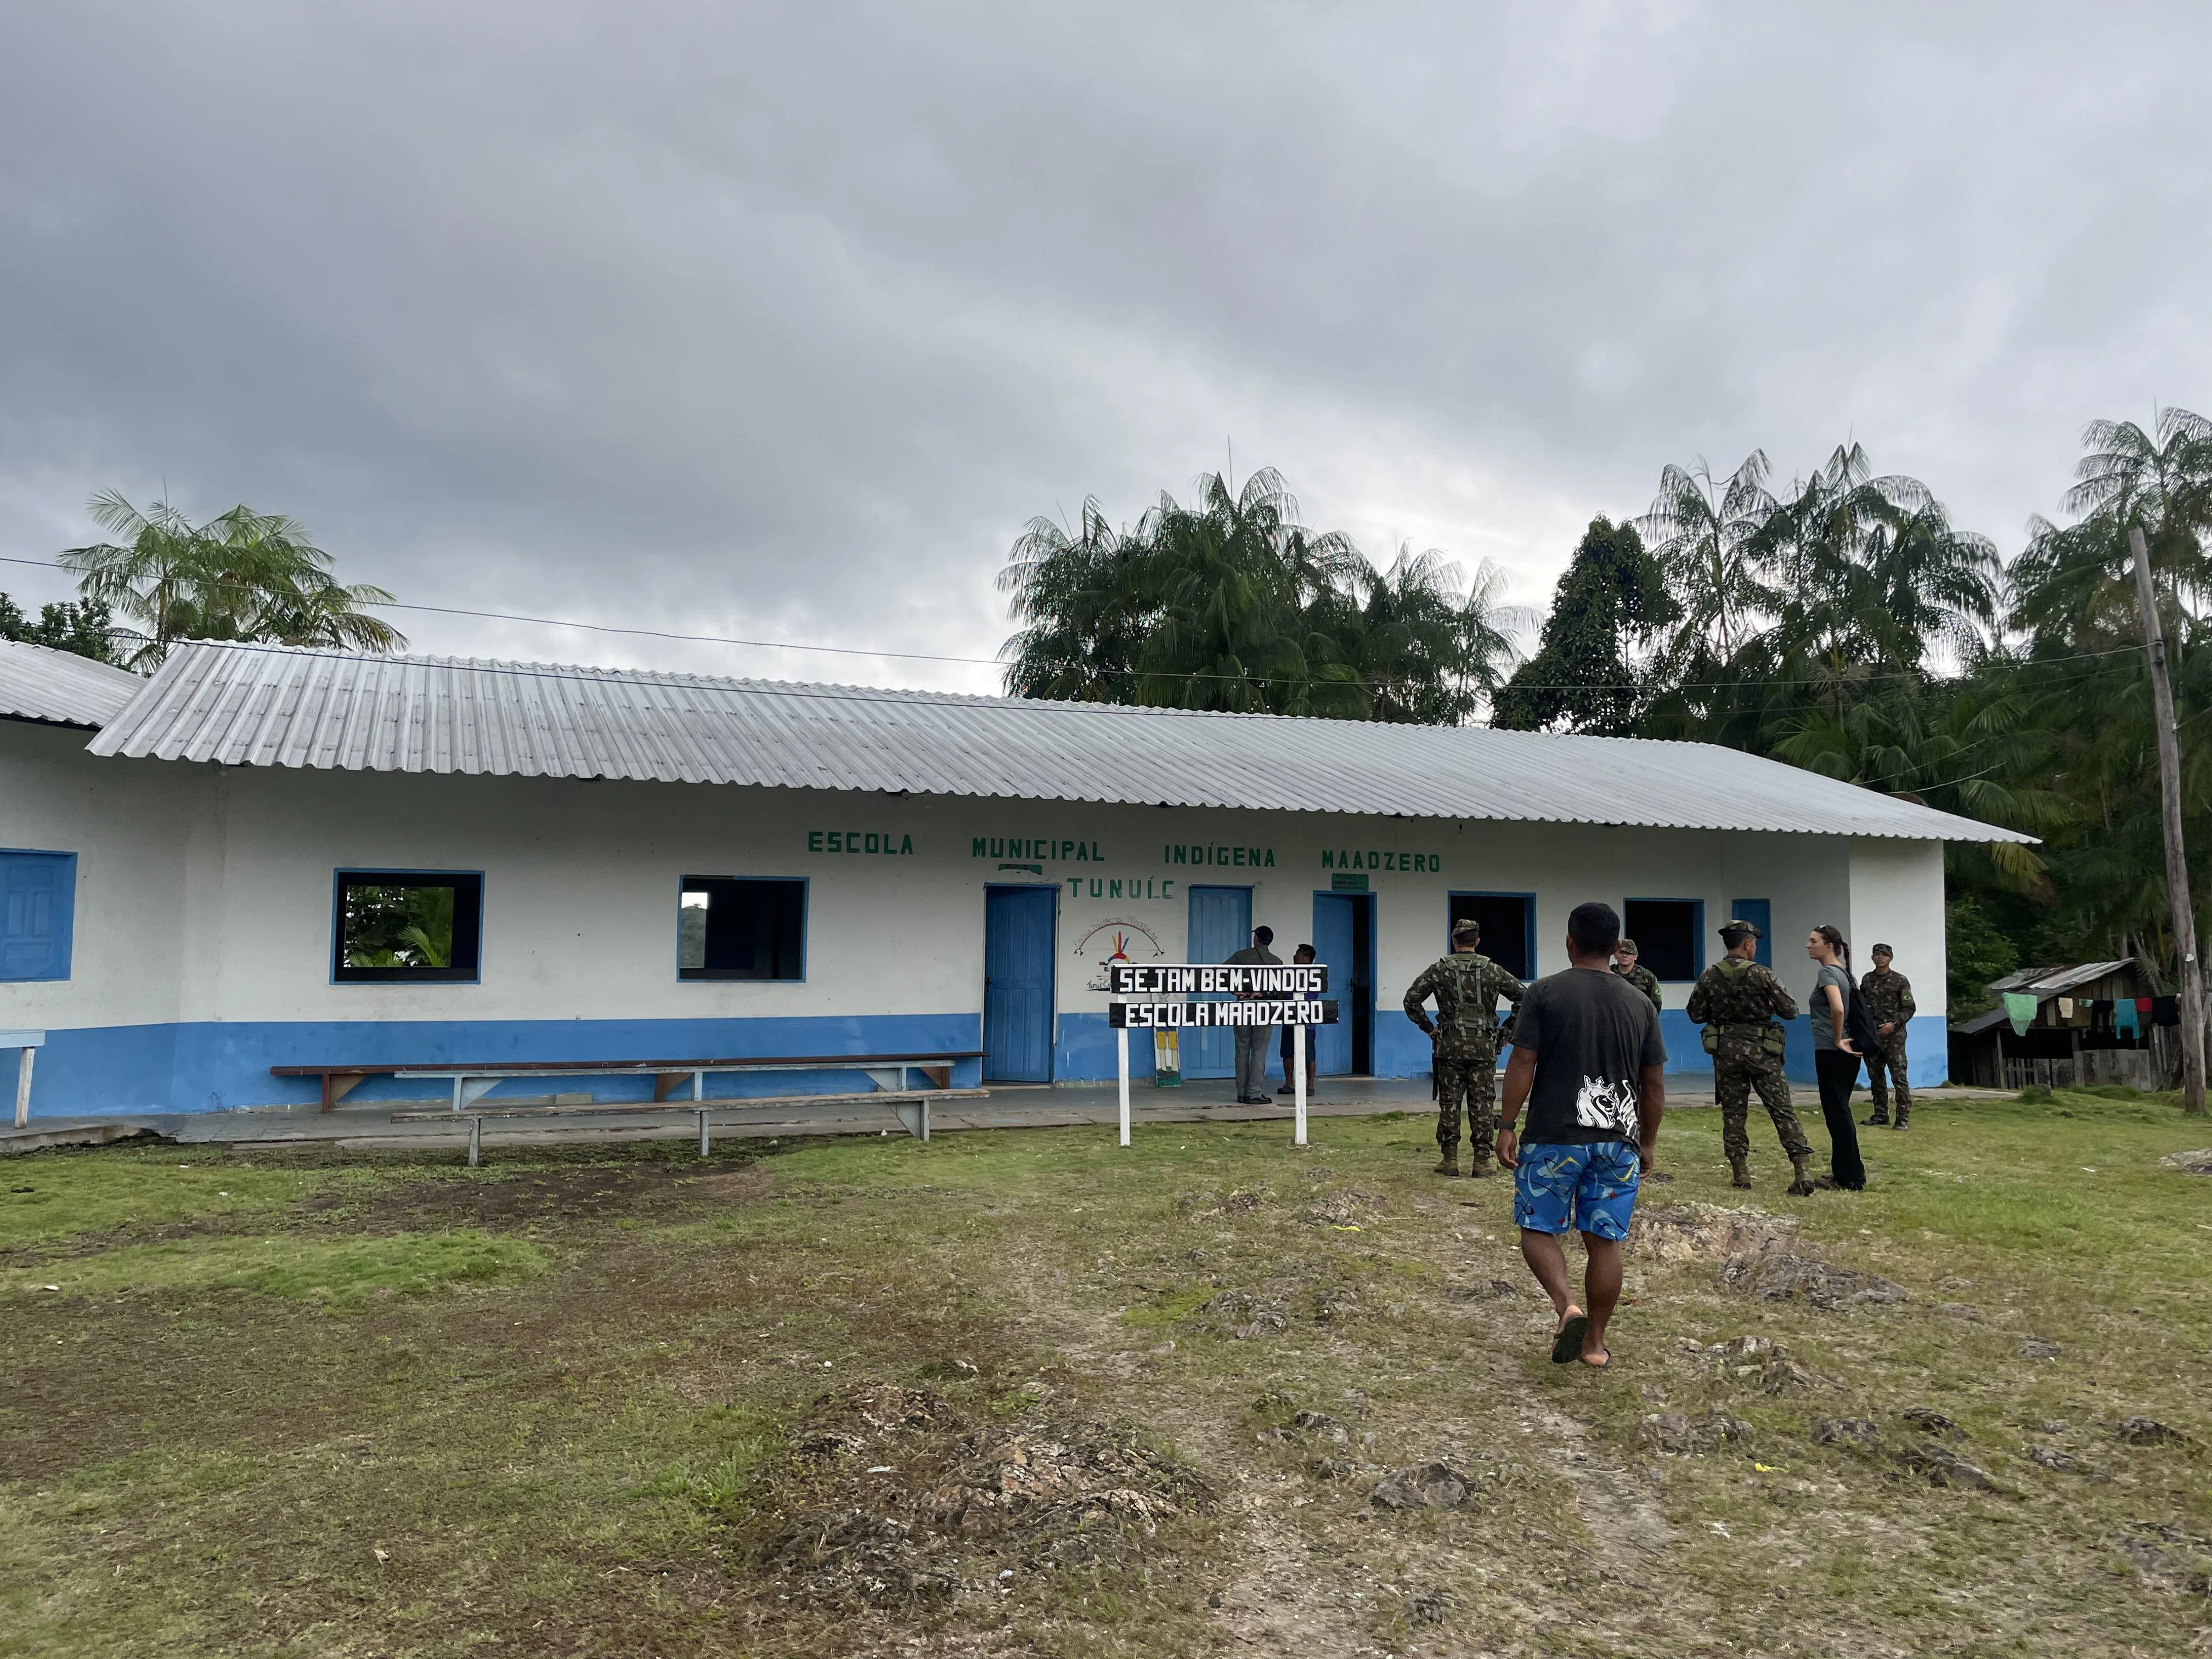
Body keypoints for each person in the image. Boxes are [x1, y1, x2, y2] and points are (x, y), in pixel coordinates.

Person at [1495, 900, 1665, 1370]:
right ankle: (1594, 1343)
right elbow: (1653, 1083)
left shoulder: (1544, 993)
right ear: (1615, 949)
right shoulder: (1641, 1004)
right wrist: (1646, 1142)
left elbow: (1523, 1061)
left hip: (1553, 1137)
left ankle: (1566, 1306)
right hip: (1618, 1141)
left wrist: (1507, 1124)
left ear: (1569, 941)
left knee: (1538, 1227)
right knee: (1603, 1241)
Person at [1685, 918, 1817, 1195]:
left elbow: (1695, 1014)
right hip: (1763, 1051)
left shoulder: (1709, 975)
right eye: (1754, 944)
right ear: (1747, 944)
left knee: (1734, 1112)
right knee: (1782, 1110)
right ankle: (1802, 1172)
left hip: (1726, 1052)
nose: (1755, 948)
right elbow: (1791, 1011)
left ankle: (1741, 1174)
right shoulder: (1764, 975)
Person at [1403, 918, 1528, 1177]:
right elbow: (1524, 998)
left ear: (1454, 941)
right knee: (1482, 1102)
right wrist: (1507, 1029)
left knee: (1449, 1102)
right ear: (1477, 942)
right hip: (1484, 1048)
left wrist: (1430, 1028)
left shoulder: (1440, 970)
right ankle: (1482, 1161)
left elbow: (1411, 1000)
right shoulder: (1493, 970)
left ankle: (1449, 1160)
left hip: (1449, 1047)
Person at [1805, 926, 1869, 1191]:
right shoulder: (1846, 973)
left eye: (1813, 941)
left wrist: (1836, 1038)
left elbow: (1838, 1007)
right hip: (1847, 1054)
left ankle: (1849, 1177)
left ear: (1829, 945)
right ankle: (1850, 1172)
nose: (1808, 945)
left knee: (1837, 1114)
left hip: (1833, 1052)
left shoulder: (1828, 973)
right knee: (1841, 1112)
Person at [1858, 943, 1915, 1130]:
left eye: (1884, 955)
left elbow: (1909, 1008)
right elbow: (1861, 1005)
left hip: (1894, 1037)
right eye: (1877, 954)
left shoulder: (1900, 981)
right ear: (1873, 958)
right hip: (1873, 1036)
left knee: (1899, 1077)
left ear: (1890, 958)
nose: (1880, 957)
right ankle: (1881, 1114)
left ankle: (1903, 1119)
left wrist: (1895, 1024)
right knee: (1876, 1077)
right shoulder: (1867, 980)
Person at [1226, 925, 1282, 1105]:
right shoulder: (1276, 962)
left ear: (1256, 938)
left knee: (1241, 1050)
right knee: (1259, 1051)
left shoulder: (1241, 956)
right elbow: (1280, 989)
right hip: (1265, 1010)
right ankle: (1254, 1092)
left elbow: (1220, 973)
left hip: (1243, 1006)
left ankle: (1241, 1093)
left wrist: (1236, 991)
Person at [1277, 943, 1319, 1096]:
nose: (1295, 956)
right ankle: (1289, 1083)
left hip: (1306, 1020)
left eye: (1299, 954)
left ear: (1307, 959)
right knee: (1287, 1053)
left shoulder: (1315, 975)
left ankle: (1310, 1086)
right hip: (1289, 1017)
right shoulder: (1289, 973)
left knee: (1309, 1054)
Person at [1612, 938, 1662, 1012]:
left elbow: (1657, 1002)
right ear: (1615, 955)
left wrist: (1649, 1020)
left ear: (1636, 956)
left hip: (1639, 1020)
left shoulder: (1647, 976)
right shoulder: (1608, 973)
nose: (1625, 956)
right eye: (1622, 952)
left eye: (1629, 953)